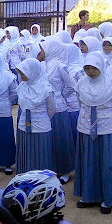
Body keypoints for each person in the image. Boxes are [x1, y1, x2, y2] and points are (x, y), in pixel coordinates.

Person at [74, 52, 112, 214]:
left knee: (107, 162)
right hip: (86, 127)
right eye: (87, 68)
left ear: (101, 66)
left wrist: (109, 123)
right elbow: (80, 103)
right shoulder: (81, 83)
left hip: (106, 127)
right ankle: (87, 196)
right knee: (87, 161)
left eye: (94, 68)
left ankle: (107, 198)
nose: (90, 72)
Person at [37, 39, 77, 184]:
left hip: (59, 108)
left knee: (60, 139)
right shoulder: (42, 65)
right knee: (48, 140)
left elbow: (71, 86)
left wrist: (60, 96)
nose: (39, 52)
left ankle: (65, 170)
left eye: (42, 49)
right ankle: (50, 168)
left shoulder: (61, 66)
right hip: (44, 107)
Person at [15, 58, 56, 173]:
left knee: (40, 155)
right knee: (25, 153)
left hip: (41, 127)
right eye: (21, 72)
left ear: (33, 71)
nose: (22, 75)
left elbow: (52, 109)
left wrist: (40, 118)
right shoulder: (22, 87)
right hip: (24, 126)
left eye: (24, 72)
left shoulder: (45, 88)